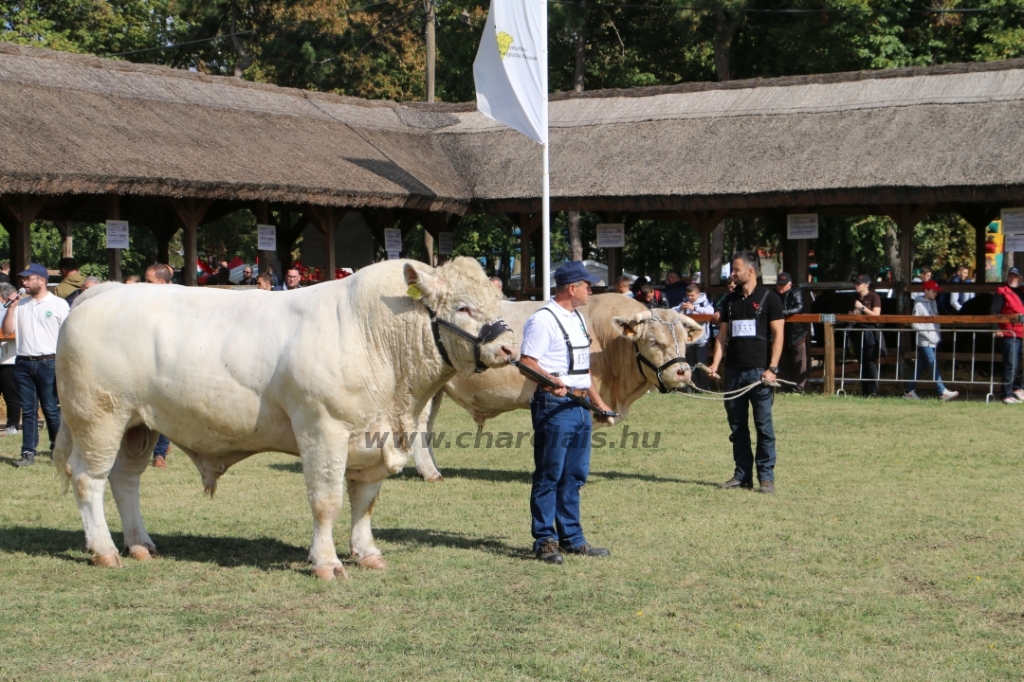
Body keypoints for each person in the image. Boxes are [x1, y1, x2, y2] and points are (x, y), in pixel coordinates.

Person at [518, 260, 614, 564]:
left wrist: (598, 402)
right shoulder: (543, 320)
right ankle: (545, 540)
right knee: (550, 474)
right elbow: (527, 362)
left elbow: (583, 372)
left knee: (574, 474)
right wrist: (551, 380)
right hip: (555, 406)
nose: (590, 290)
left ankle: (572, 539)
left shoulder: (577, 319)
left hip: (581, 406)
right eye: (587, 285)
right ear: (571, 288)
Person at [706, 251, 784, 494]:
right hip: (734, 375)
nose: (732, 274)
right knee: (737, 427)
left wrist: (772, 369)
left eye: (736, 269)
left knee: (764, 426)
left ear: (751, 271)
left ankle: (766, 477)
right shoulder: (730, 301)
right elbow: (722, 336)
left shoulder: (770, 299)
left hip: (760, 374)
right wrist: (715, 363)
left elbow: (778, 335)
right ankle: (742, 475)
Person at [3, 263, 70, 468]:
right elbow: (7, 331)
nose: (23, 282)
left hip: (48, 362)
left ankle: (58, 448)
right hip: (23, 362)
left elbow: (67, 335)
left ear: (41, 280)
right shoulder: (21, 305)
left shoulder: (58, 304)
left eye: (28, 278)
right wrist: (12, 307)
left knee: (50, 408)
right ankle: (27, 452)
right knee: (29, 410)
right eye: (22, 279)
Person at [903, 280, 959, 401]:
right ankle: (941, 390)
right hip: (925, 341)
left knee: (920, 366)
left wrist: (935, 337)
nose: (936, 293)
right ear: (926, 290)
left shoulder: (933, 303)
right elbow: (914, 323)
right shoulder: (919, 305)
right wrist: (929, 335)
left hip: (932, 340)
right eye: (933, 291)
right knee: (933, 364)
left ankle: (908, 391)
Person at [144, 264, 175, 465]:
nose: (144, 284)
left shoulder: (176, 303)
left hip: (169, 361)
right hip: (146, 360)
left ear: (162, 282)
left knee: (164, 407)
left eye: (148, 281)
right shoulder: (144, 303)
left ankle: (159, 453)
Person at [990, 267, 1024, 404]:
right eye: (1010, 276)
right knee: (1011, 364)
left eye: (1015, 276)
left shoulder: (1022, 292)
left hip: (1021, 333)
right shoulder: (1002, 292)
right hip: (1010, 333)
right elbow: (993, 310)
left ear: (1020, 278)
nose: (1012, 278)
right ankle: (1006, 394)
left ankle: (1018, 386)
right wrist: (995, 327)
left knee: (1017, 364)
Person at [848, 274, 883, 397]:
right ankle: (864, 392)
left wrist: (862, 308)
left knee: (870, 362)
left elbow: (876, 315)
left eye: (859, 283)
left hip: (869, 332)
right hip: (857, 332)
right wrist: (854, 313)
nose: (856, 285)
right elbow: (849, 315)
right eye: (855, 283)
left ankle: (874, 391)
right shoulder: (854, 298)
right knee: (861, 362)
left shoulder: (874, 297)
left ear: (866, 284)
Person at [675, 283, 714, 390]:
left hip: (702, 340)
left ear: (698, 293)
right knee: (691, 366)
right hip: (688, 340)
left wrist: (694, 308)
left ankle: (705, 389)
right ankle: (693, 388)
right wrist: (680, 309)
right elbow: (674, 310)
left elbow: (711, 312)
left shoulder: (704, 302)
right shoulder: (685, 302)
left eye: (692, 295)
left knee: (701, 366)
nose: (690, 298)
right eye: (688, 295)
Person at [775, 272, 808, 393]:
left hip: (797, 333)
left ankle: (798, 389)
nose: (780, 287)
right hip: (781, 333)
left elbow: (799, 307)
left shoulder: (796, 292)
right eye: (779, 284)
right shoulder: (774, 295)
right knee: (783, 362)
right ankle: (785, 388)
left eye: (783, 285)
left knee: (799, 361)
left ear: (790, 284)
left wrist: (782, 312)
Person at [0, 282, 21, 437]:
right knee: (11, 393)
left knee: (11, 394)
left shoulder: (17, 309)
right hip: (7, 357)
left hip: (10, 358)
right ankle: (11, 426)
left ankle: (12, 425)